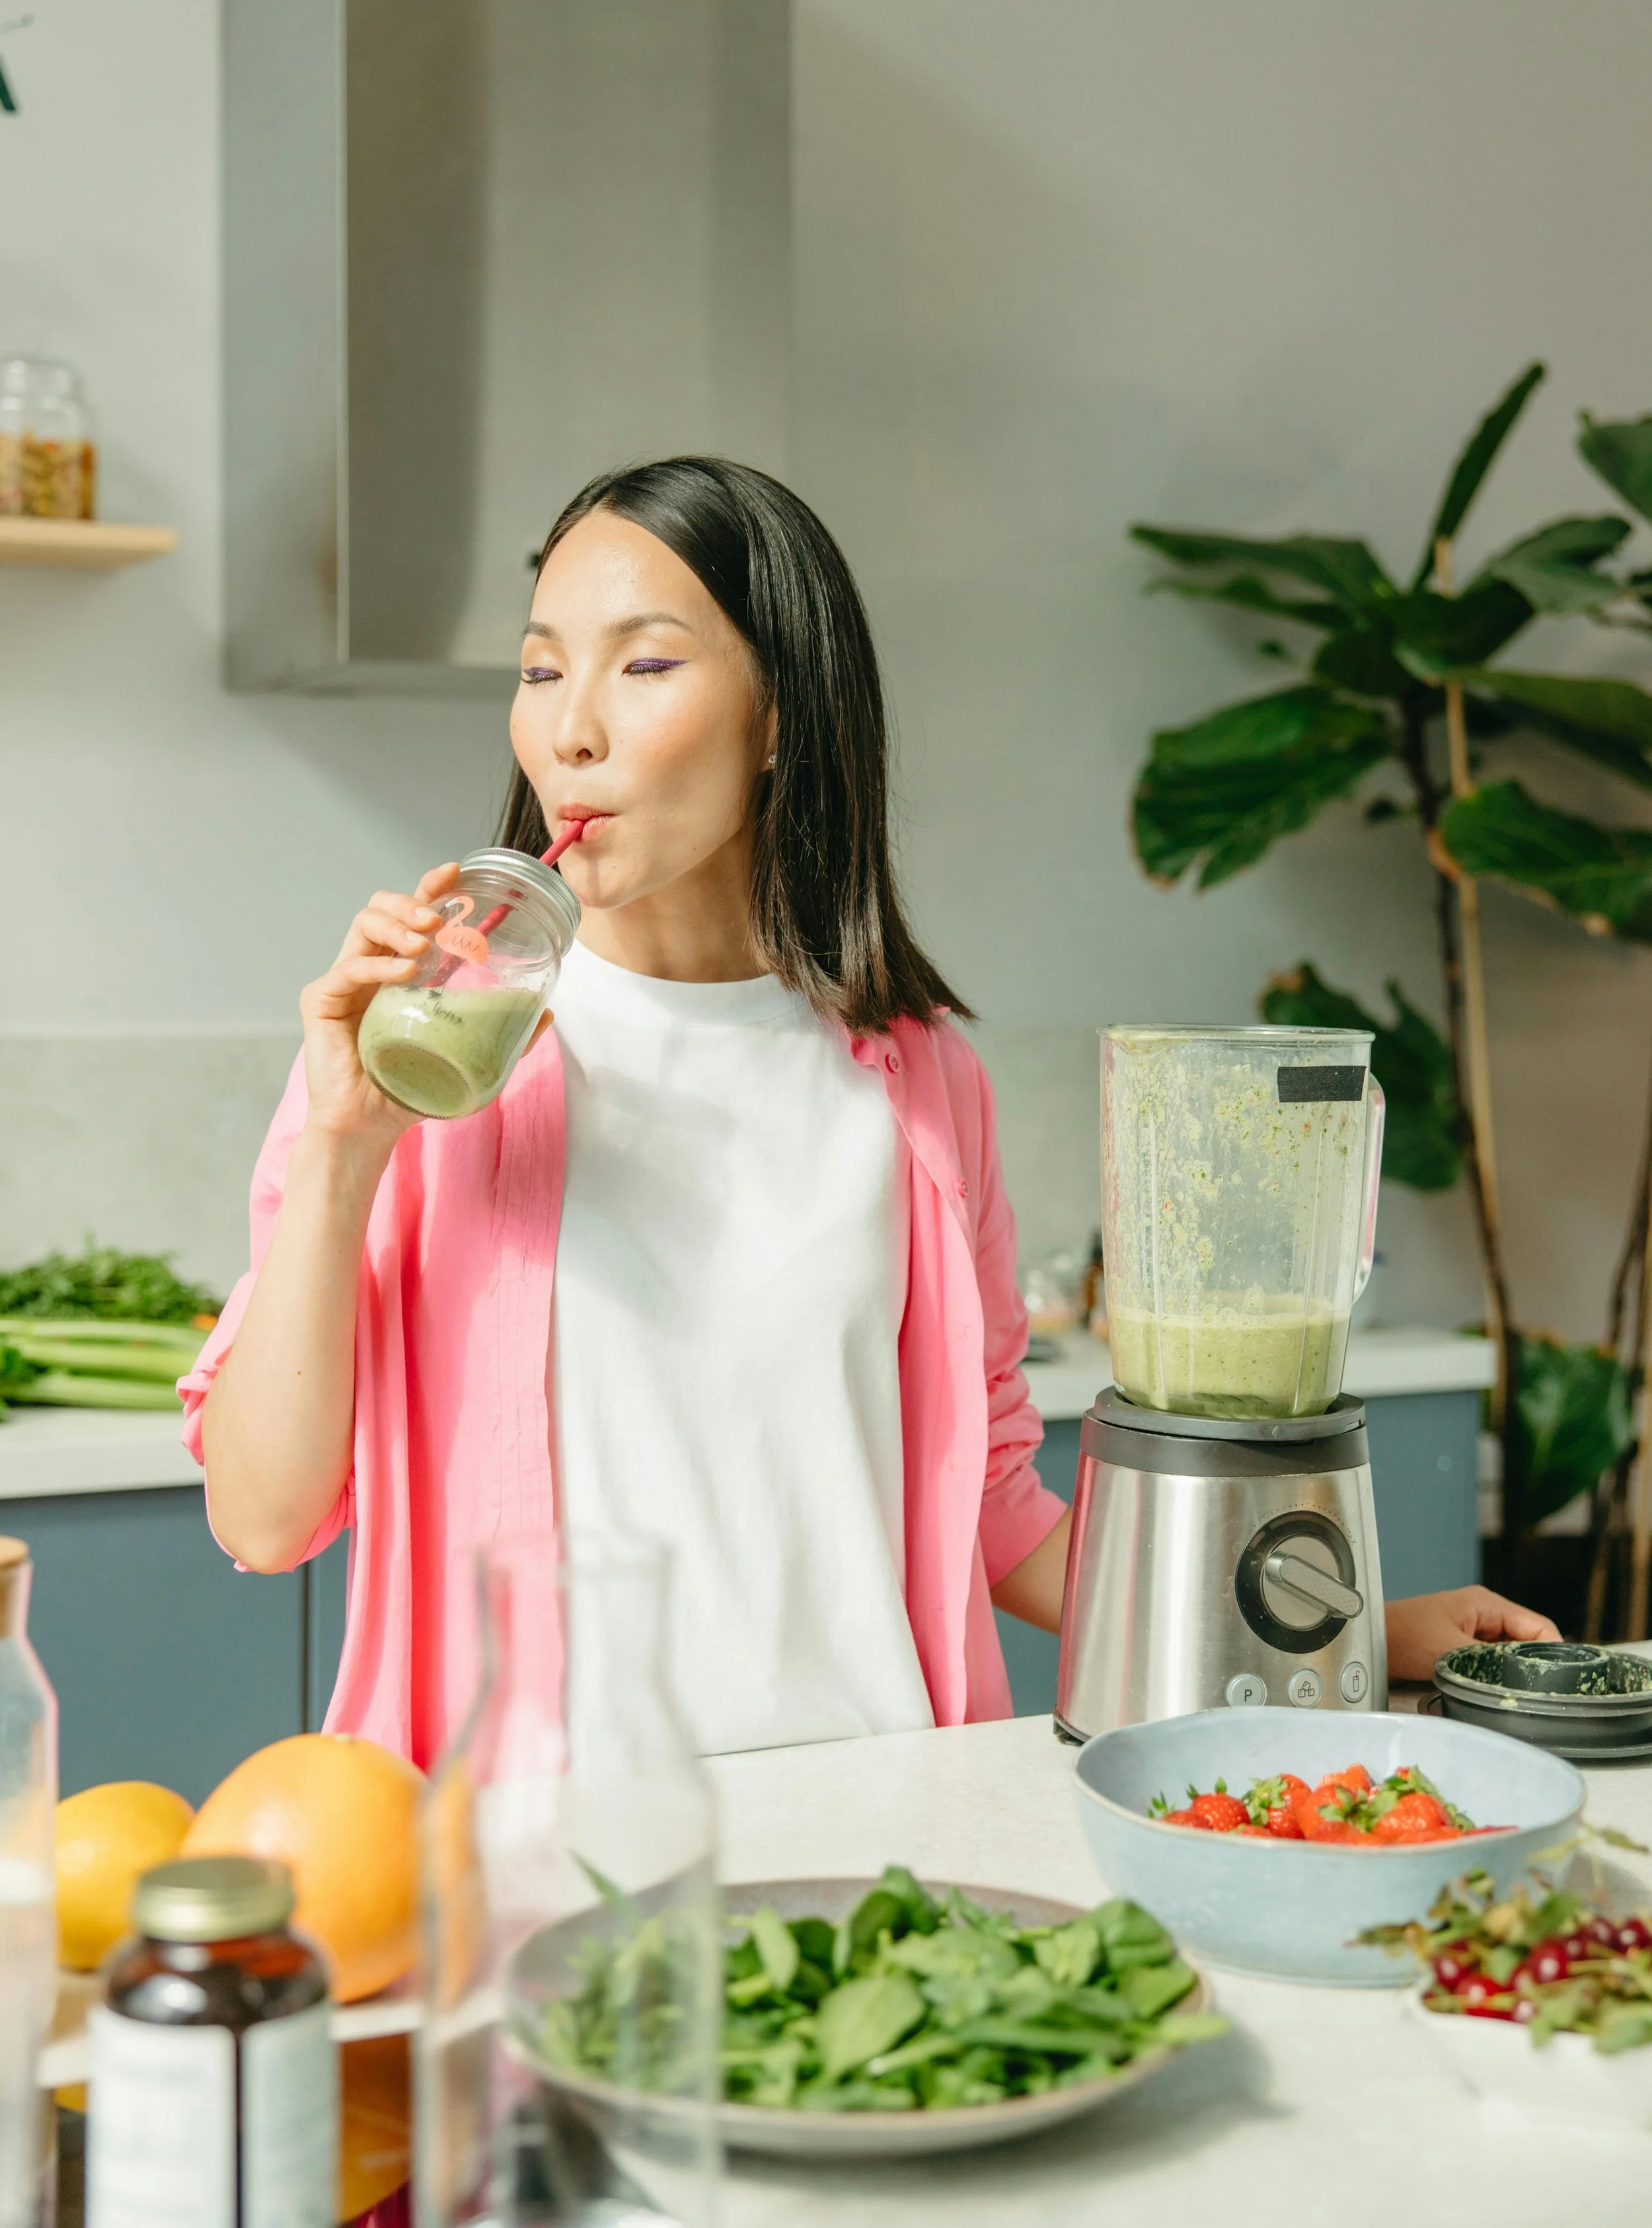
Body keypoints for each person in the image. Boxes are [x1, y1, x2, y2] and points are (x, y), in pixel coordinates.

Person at [186, 457, 1556, 1768]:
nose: (569, 725)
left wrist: (1347, 1637)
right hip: (554, 1856)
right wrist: (341, 1151)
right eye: (540, 667)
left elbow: (997, 1508)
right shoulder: (427, 1064)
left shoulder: (916, 1082)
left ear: (779, 714)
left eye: (643, 663)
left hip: (881, 1822)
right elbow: (264, 1516)